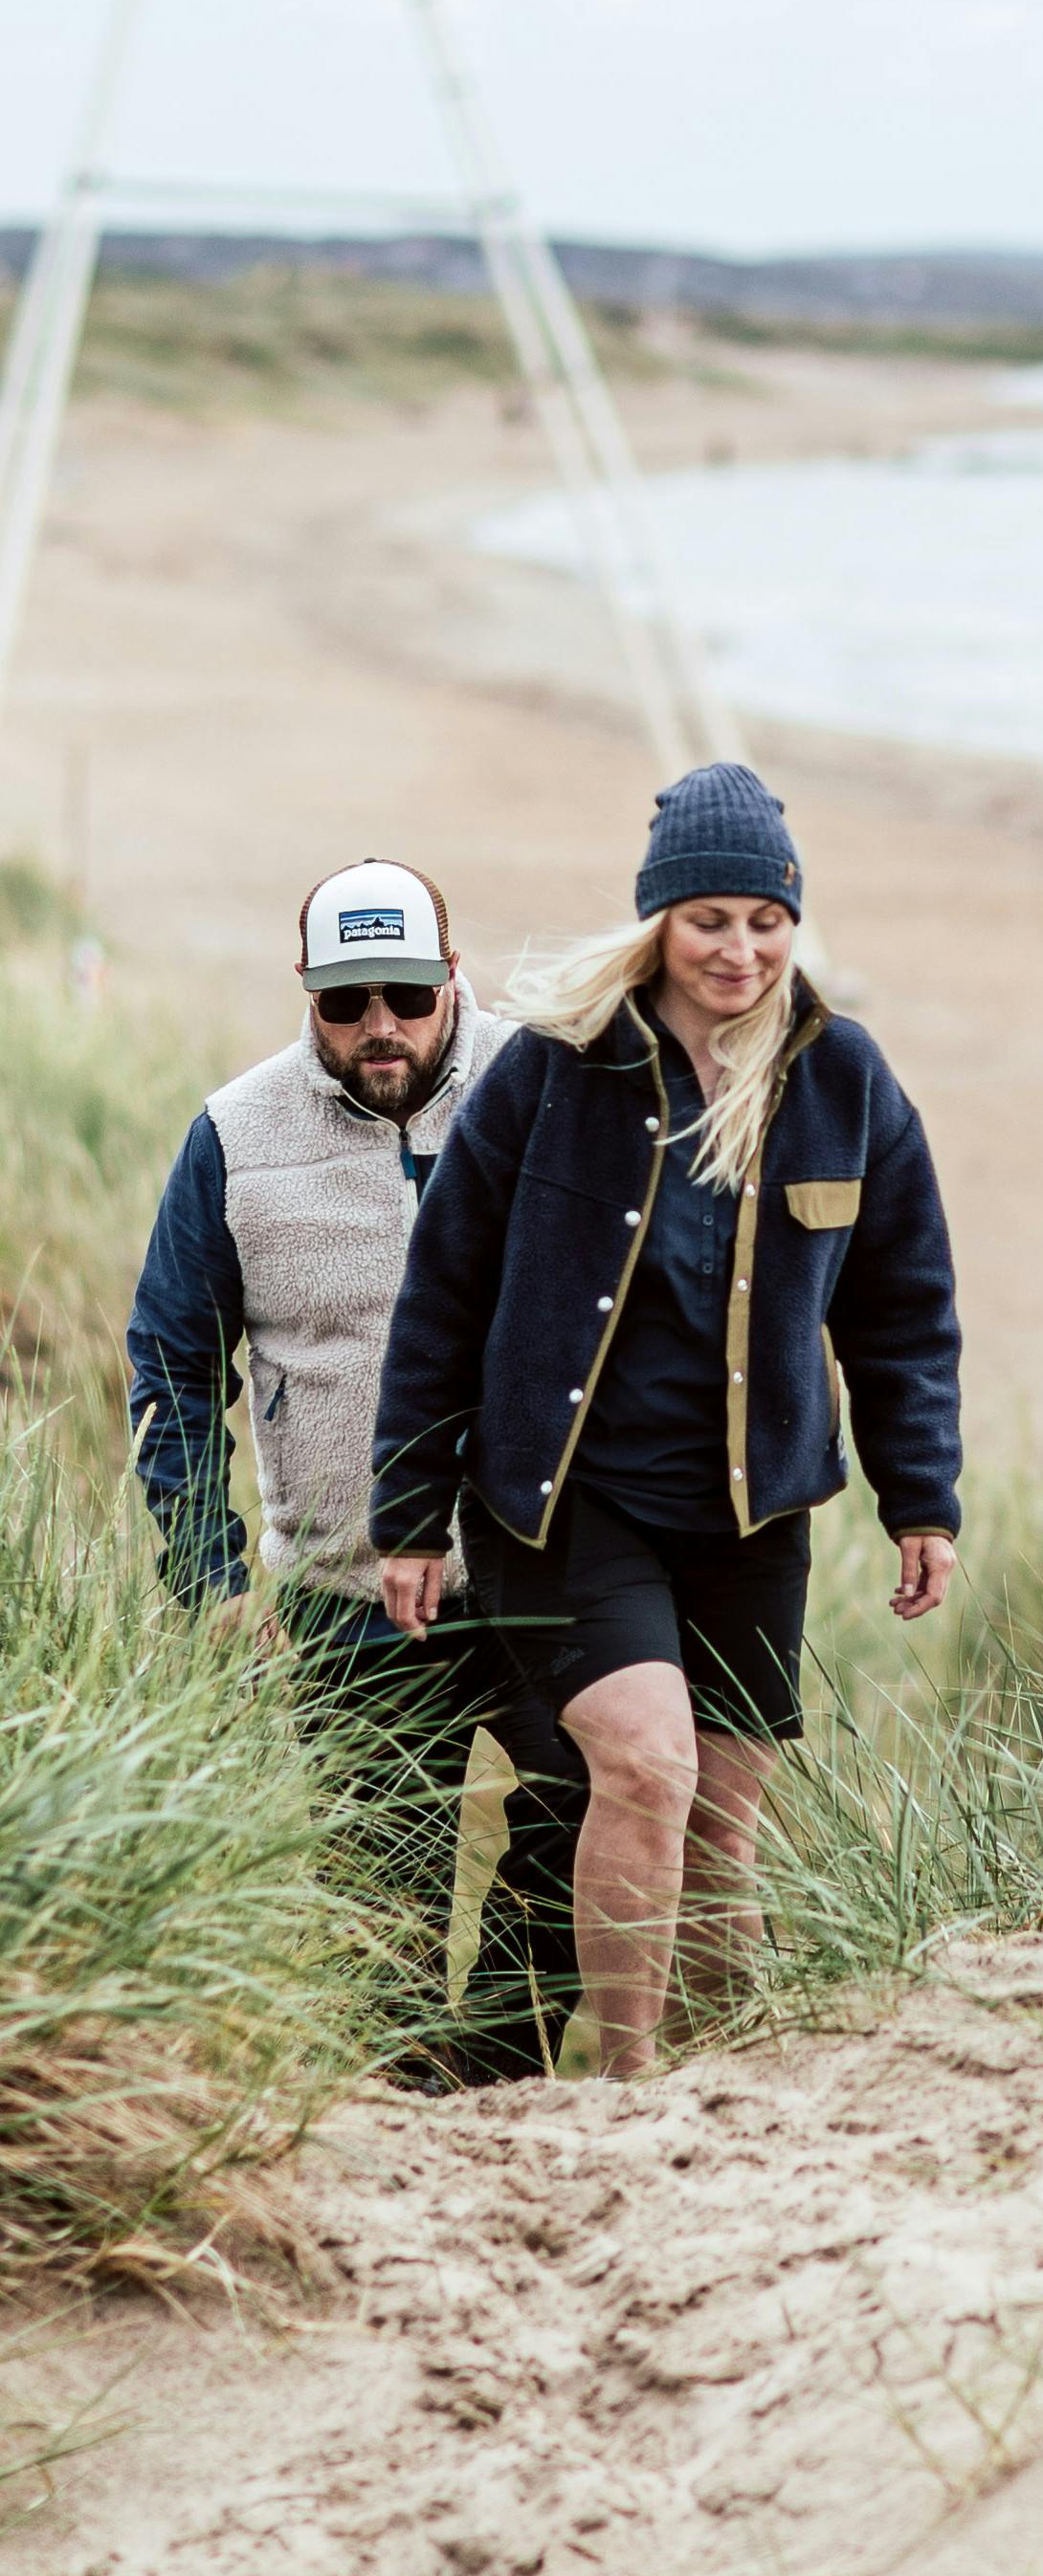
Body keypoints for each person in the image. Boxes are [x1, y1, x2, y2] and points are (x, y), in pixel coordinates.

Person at [371, 764, 962, 2080]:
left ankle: (723, 2088)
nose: (739, 950)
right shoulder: (552, 1072)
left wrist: (919, 1495)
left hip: (750, 1519)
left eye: (765, 919)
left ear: (794, 923)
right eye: (708, 920)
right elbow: (444, 1293)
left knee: (724, 1829)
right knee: (645, 1766)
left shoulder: (842, 1080)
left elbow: (902, 1305)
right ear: (658, 925)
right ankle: (628, 2098)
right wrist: (409, 1510)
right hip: (567, 1501)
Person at [124, 858, 581, 2086]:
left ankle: (498, 2086)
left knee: (571, 1830)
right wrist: (210, 1570)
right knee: (375, 1883)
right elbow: (171, 1363)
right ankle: (398, 2114)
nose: (378, 1026)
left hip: (549, 1561)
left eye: (402, 994)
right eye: (344, 1001)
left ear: (449, 978)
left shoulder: (547, 1091)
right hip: (348, 1589)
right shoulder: (234, 1135)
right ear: (306, 994)